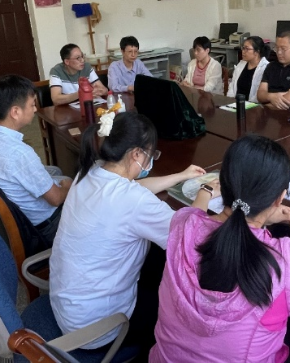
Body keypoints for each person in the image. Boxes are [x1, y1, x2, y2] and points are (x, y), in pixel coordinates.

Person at [150, 135, 290, 363]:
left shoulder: (182, 224)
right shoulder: (282, 259)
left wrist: (206, 192)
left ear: (223, 183)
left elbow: (193, 214)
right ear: (280, 198)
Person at [50, 111, 220, 354]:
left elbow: (134, 186)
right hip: (98, 327)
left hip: (70, 306)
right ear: (136, 154)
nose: (152, 161)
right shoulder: (132, 200)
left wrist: (181, 176)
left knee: (156, 261)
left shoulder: (90, 171)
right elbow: (189, 235)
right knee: (180, 308)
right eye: (152, 154)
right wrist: (205, 192)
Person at [0, 75, 71, 245]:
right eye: (32, 104)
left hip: (17, 218)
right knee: (82, 189)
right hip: (44, 228)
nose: (35, 109)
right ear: (15, 112)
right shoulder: (20, 153)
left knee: (59, 176)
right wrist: (69, 186)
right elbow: (56, 199)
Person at [226, 36, 270, 102]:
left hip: (253, 105)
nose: (243, 51)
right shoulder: (241, 64)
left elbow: (258, 95)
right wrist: (231, 101)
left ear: (257, 52)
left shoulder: (265, 68)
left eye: (247, 49)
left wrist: (246, 105)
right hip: (235, 103)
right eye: (243, 48)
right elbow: (232, 85)